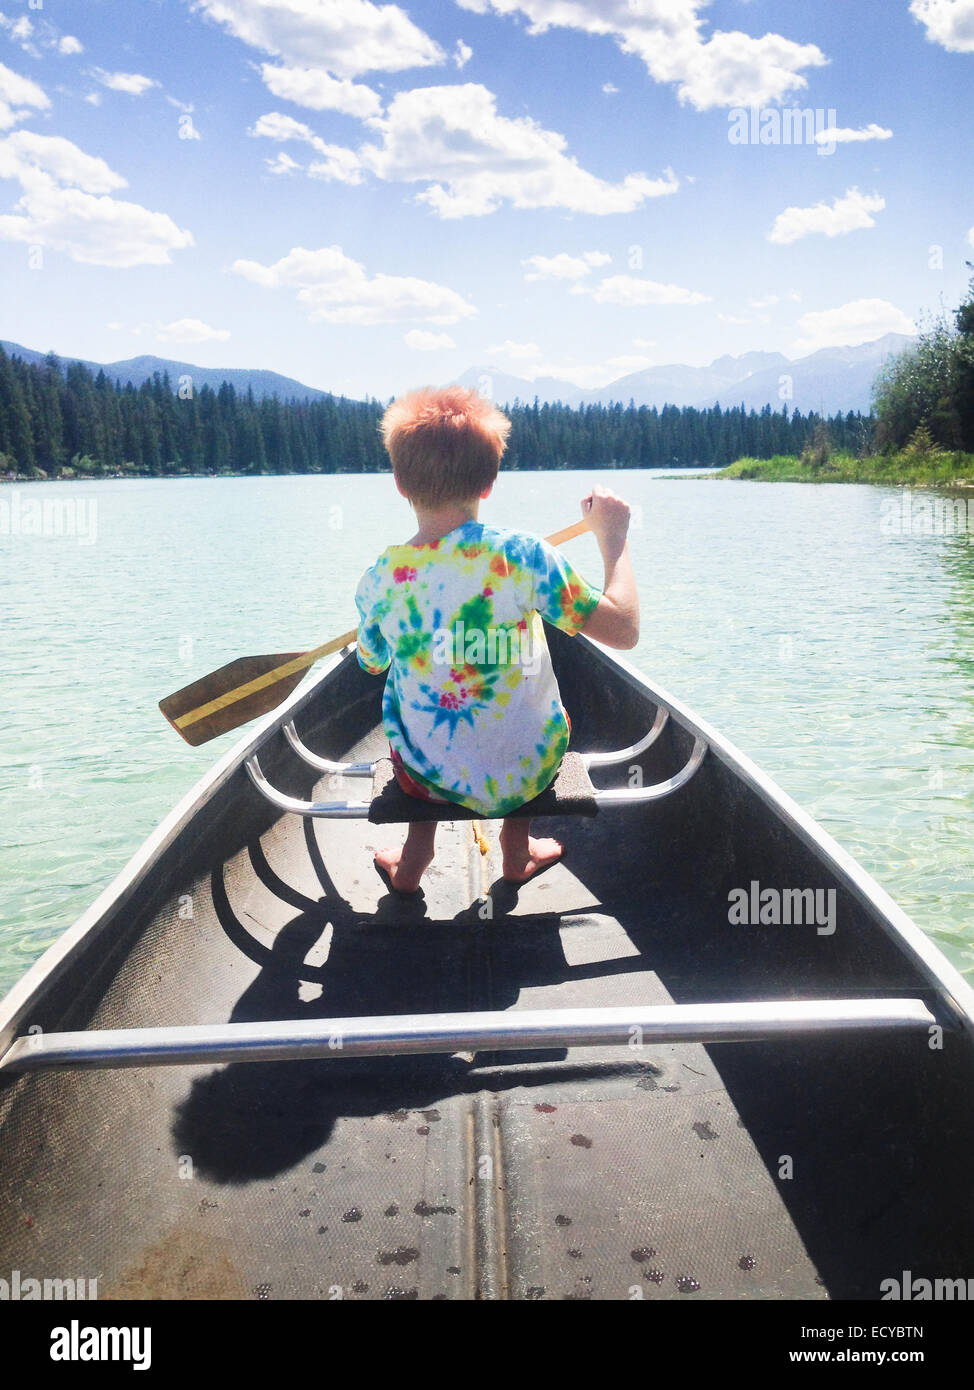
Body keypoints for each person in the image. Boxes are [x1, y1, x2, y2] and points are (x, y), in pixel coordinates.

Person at [355, 386, 639, 892]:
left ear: (399, 483)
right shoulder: (526, 556)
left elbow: (373, 664)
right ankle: (516, 852)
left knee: (415, 706)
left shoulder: (380, 579)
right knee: (527, 708)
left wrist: (385, 636)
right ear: (489, 483)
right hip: (528, 766)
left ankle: (411, 865)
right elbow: (624, 631)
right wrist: (612, 539)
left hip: (426, 776)